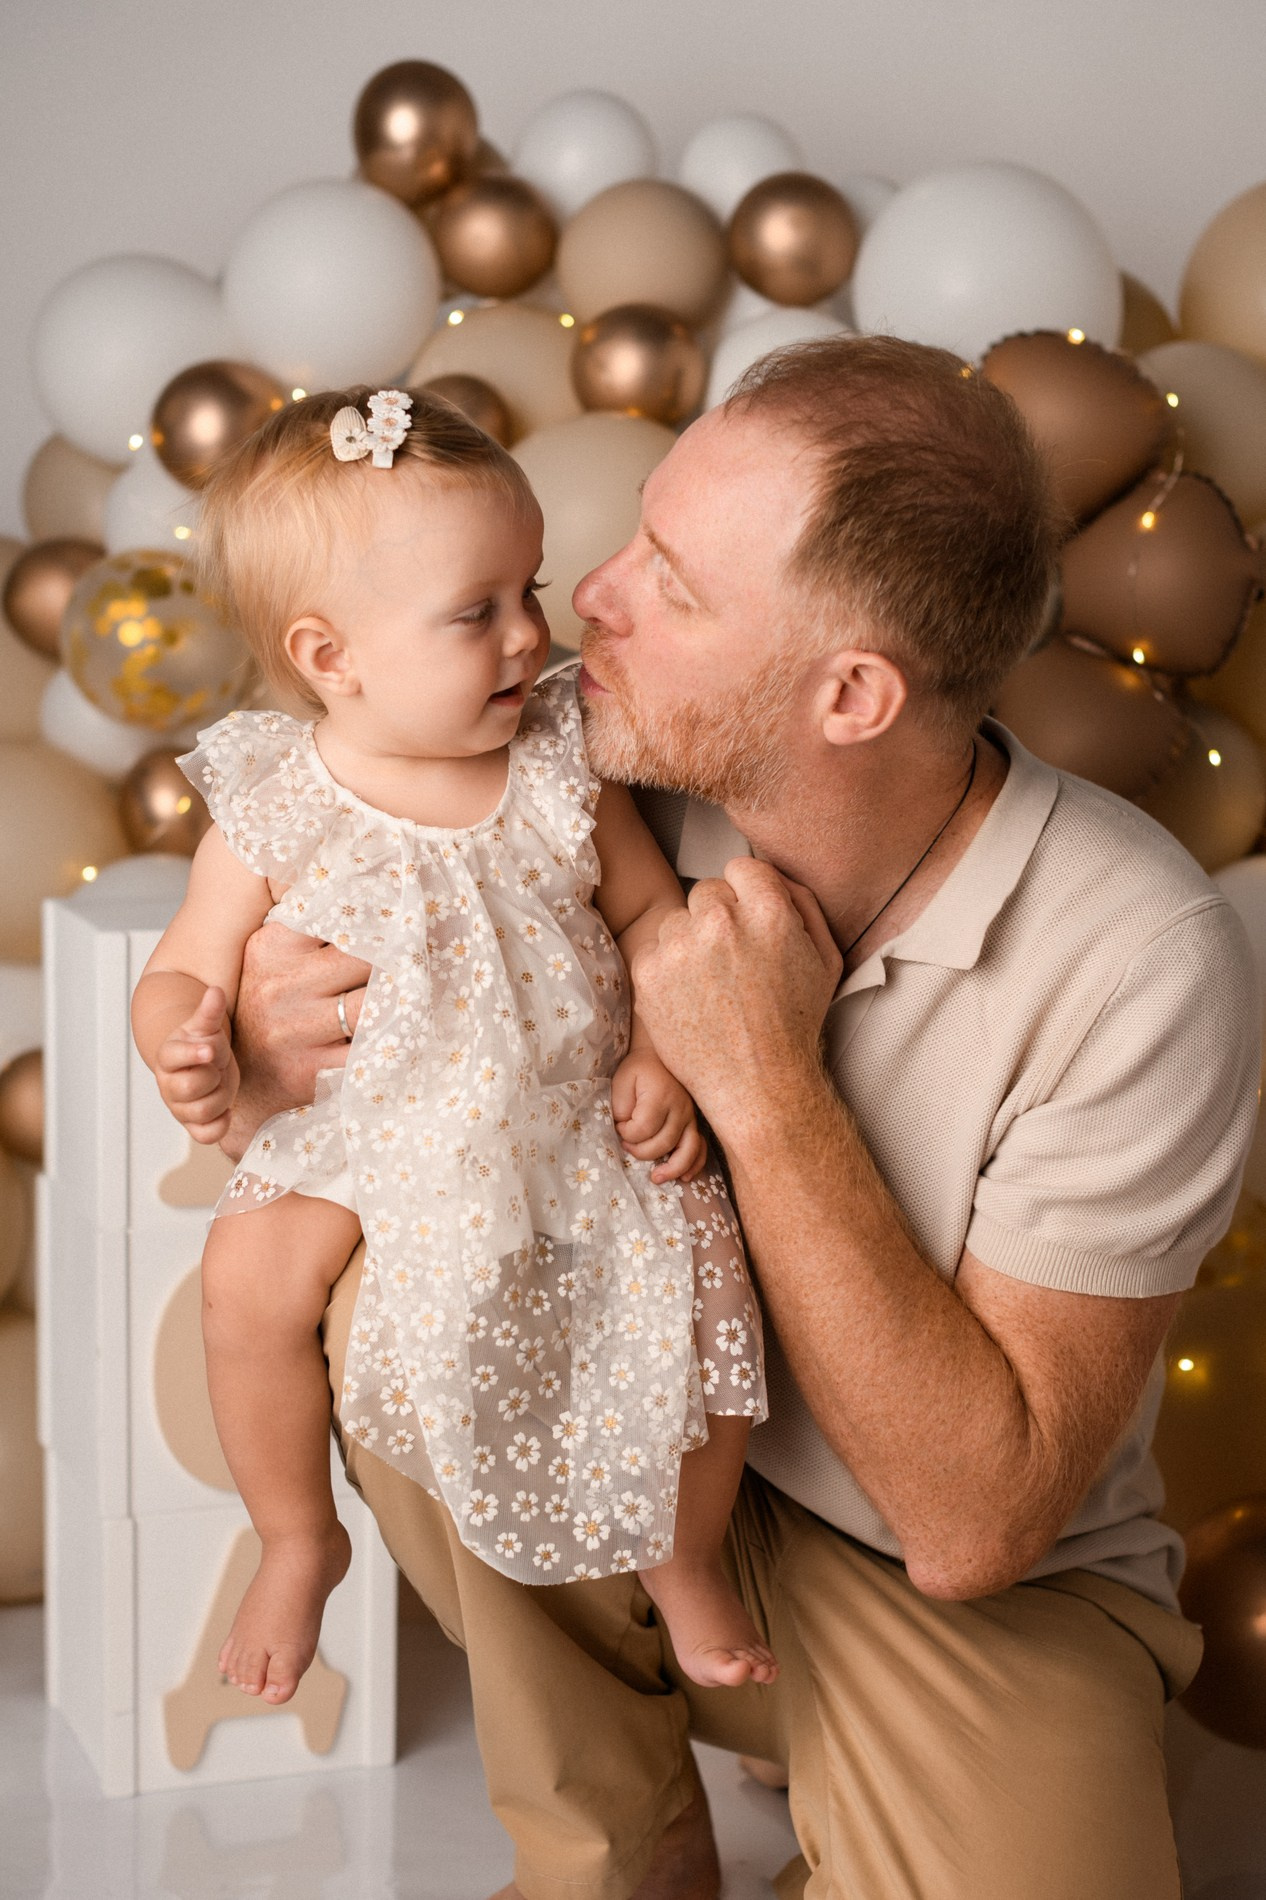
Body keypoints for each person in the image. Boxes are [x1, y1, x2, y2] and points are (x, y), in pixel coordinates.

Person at [227, 337, 1261, 1900]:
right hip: (642, 1464)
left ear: (848, 694)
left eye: (675, 584)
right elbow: (300, 1013)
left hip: (962, 1586)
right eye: (638, 534)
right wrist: (254, 1030)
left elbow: (975, 1526)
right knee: (372, 1293)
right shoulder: (553, 747)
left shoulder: (1140, 959)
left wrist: (764, 1081)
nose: (590, 599)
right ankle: (620, 1846)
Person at [131, 385, 775, 1712]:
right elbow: (187, 962)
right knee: (244, 1294)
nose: (529, 633)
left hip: (568, 1123)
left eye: (526, 589)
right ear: (330, 655)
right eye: (475, 612)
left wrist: (657, 1053)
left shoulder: (557, 764)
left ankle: (685, 1551)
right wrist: (182, 1034)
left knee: (703, 1292)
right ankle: (297, 1536)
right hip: (366, 1129)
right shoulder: (280, 799)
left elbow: (651, 916)